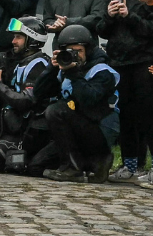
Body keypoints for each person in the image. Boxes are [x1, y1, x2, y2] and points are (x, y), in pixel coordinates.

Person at [34, 24, 118, 183]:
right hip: (76, 127)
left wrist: (73, 73)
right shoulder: (64, 68)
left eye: (78, 51)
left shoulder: (102, 71)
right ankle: (93, 164)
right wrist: (51, 70)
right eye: (70, 52)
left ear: (88, 50)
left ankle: (76, 168)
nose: (75, 56)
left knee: (56, 110)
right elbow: (38, 94)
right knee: (36, 166)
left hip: (100, 130)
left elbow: (89, 100)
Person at [0, 17, 53, 175]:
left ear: (32, 40)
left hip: (30, 131)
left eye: (19, 37)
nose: (13, 41)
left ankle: (31, 161)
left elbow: (25, 101)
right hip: (15, 129)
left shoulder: (39, 65)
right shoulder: (22, 62)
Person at [96, 0, 153, 184]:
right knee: (126, 117)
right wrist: (110, 16)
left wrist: (129, 15)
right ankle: (130, 164)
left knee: (148, 117)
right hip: (120, 64)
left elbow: (148, 31)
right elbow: (101, 30)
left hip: (143, 63)